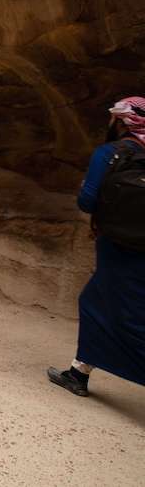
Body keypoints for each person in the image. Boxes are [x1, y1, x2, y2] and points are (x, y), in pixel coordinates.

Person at [48, 96, 145, 396]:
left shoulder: (110, 154)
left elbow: (87, 202)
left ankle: (79, 375)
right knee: (101, 304)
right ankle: (79, 373)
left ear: (120, 120)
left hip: (119, 248)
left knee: (121, 312)